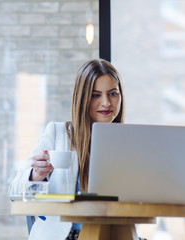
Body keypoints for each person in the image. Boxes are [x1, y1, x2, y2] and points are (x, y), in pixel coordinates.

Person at [9, 59, 125, 240]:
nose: (106, 103)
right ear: (82, 97)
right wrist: (36, 175)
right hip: (67, 235)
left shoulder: (128, 142)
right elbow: (14, 192)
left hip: (112, 234)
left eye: (113, 94)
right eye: (96, 95)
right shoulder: (58, 134)